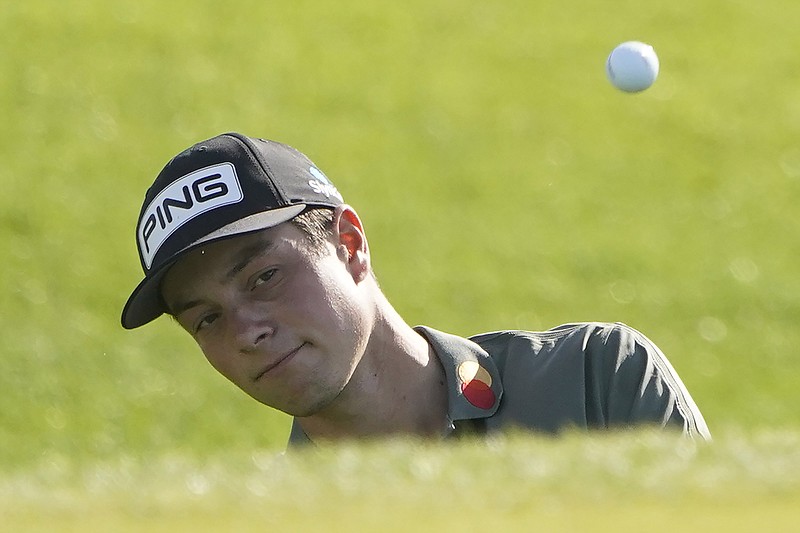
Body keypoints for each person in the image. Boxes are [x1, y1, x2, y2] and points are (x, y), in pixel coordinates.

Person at [121, 132, 711, 445]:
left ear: (349, 245)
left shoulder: (594, 380)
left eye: (264, 278)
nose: (247, 330)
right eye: (206, 319)